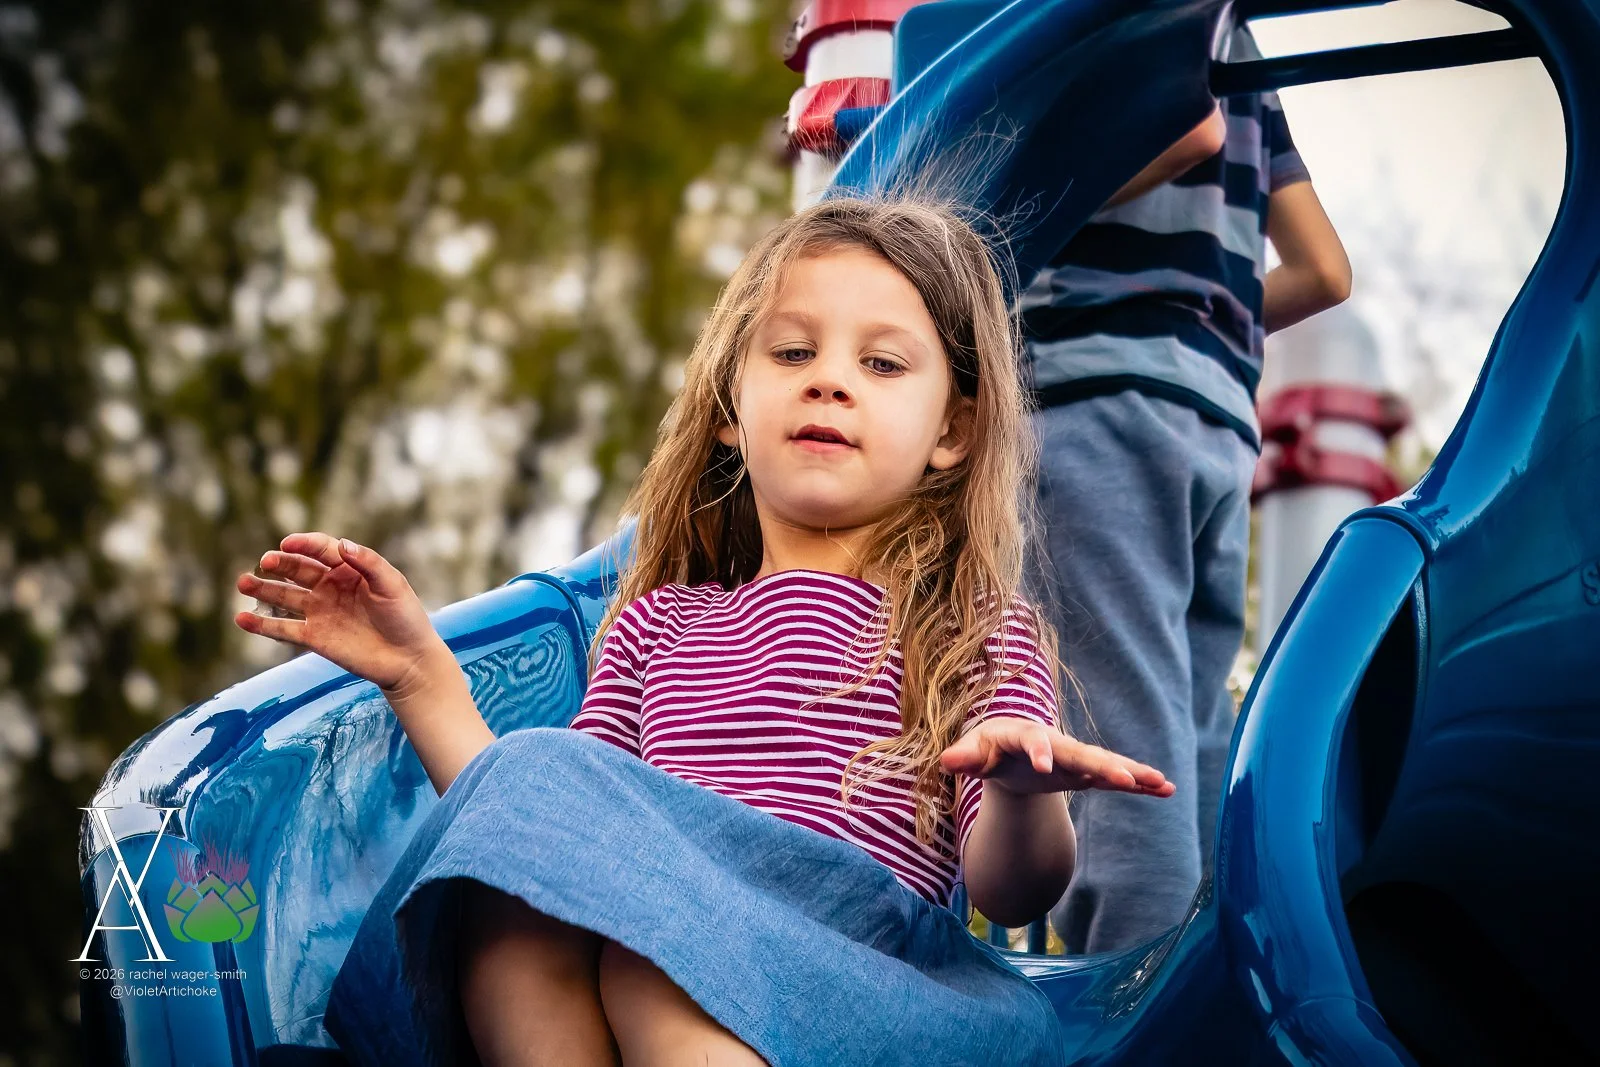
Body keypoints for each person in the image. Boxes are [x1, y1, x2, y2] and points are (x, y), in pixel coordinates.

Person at [235, 197, 1175, 1067]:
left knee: (658, 948)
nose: (830, 384)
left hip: (865, 988)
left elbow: (1015, 892)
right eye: (792, 353)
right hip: (664, 955)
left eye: (881, 364)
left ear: (953, 431)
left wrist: (1017, 792)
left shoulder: (972, 633)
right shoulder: (660, 624)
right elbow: (547, 833)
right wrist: (418, 675)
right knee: (526, 904)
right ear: (730, 408)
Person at [1023, 19, 1353, 956]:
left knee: (1117, 744)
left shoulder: (1122, 15)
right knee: (1193, 737)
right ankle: (1203, 985)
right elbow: (1325, 271)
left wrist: (985, 208)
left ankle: (1124, 1011)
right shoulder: (1236, 35)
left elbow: (1185, 131)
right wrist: (1202, 317)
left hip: (1096, 398)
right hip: (1213, 418)